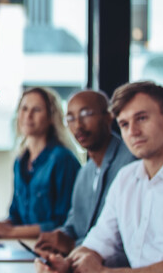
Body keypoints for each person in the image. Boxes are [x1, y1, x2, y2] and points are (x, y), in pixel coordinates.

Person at [36, 81, 163, 272]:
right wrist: (67, 264)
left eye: (142, 118)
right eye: (124, 124)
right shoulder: (126, 177)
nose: (133, 131)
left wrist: (106, 272)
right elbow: (98, 241)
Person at [34, 90, 135, 260]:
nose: (78, 125)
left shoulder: (130, 163)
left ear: (109, 116)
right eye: (71, 118)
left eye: (86, 114)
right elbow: (73, 225)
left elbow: (127, 241)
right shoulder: (85, 172)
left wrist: (74, 246)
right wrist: (58, 238)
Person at [0, 87, 81, 239]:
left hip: (50, 251)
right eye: (24, 109)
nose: (28, 116)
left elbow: (63, 223)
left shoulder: (63, 159)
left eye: (36, 110)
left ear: (51, 117)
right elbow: (15, 217)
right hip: (22, 246)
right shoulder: (20, 161)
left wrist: (10, 232)